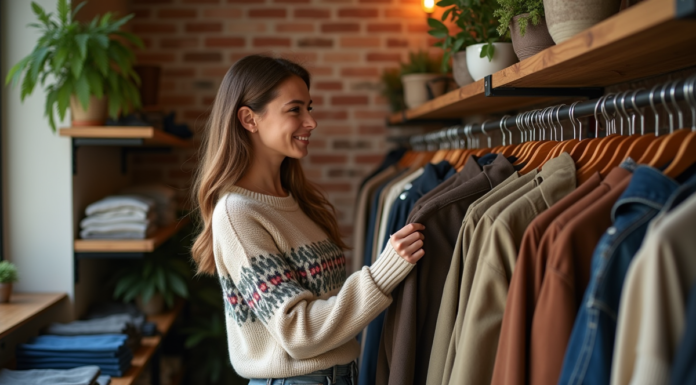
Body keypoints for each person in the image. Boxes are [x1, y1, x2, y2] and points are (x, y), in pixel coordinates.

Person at [191, 55, 425, 385]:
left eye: (309, 108)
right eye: (295, 109)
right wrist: (383, 274)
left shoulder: (295, 199)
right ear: (249, 119)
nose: (311, 122)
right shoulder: (237, 213)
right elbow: (297, 333)